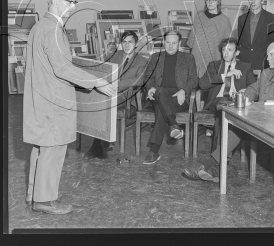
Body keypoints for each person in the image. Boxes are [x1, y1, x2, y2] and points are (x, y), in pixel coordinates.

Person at [24, 0, 116, 214]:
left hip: (42, 99)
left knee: (41, 148)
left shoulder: (39, 26)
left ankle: (34, 193)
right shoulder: (53, 29)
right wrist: (96, 81)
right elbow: (62, 68)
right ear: (55, 1)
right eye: (70, 1)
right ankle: (44, 201)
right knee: (53, 150)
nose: (73, 6)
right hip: (54, 102)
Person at [181, 41, 274, 183]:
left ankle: (210, 168)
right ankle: (211, 168)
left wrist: (255, 106)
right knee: (233, 126)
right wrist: (246, 98)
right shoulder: (266, 72)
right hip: (258, 119)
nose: (267, 58)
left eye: (271, 55)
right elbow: (253, 88)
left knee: (234, 128)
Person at [83, 30, 149, 159]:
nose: (127, 45)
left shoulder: (142, 61)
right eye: (124, 42)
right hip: (110, 92)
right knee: (96, 100)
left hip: (127, 96)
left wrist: (118, 84)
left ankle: (97, 147)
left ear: (136, 44)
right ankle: (103, 141)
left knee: (103, 104)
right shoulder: (115, 55)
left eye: (130, 42)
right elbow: (105, 71)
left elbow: (139, 80)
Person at [141, 30, 198, 165]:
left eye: (174, 43)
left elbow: (194, 79)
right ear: (163, 42)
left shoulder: (188, 58)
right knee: (160, 92)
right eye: (168, 42)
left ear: (179, 43)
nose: (171, 46)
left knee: (161, 107)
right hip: (157, 96)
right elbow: (147, 77)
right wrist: (151, 88)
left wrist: (183, 90)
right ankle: (173, 124)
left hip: (179, 98)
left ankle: (154, 151)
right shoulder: (155, 57)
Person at [198, 37, 256, 148]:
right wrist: (225, 75)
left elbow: (254, 87)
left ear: (237, 52)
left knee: (226, 112)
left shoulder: (245, 67)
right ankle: (221, 153)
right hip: (217, 102)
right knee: (223, 107)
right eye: (224, 49)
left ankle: (220, 154)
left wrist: (245, 91)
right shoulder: (214, 65)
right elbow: (203, 84)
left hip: (237, 103)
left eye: (230, 50)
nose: (226, 53)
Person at [187, 0, 232, 77]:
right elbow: (192, 42)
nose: (210, 2)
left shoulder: (224, 21)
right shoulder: (198, 17)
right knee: (196, 82)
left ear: (218, 1)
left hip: (214, 59)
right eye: (208, 0)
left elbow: (228, 46)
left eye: (213, 0)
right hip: (197, 58)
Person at [236, 0, 274, 72]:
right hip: (245, 63)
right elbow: (240, 42)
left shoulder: (272, 19)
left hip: (264, 63)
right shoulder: (241, 19)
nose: (253, 2)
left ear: (262, 0)